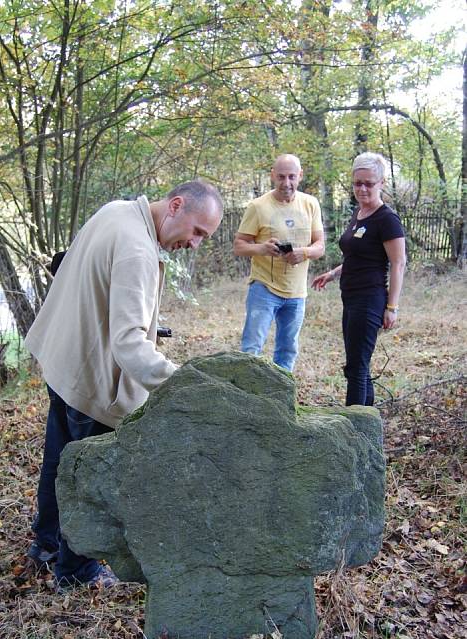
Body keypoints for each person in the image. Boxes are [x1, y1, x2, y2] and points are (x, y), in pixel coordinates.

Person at [25, 180, 223, 590]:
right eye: (198, 232)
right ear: (175, 206)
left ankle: (46, 546)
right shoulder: (138, 249)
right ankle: (76, 572)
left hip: (61, 357)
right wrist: (184, 382)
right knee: (89, 481)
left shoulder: (116, 211)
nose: (196, 243)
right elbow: (129, 344)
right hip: (89, 380)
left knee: (58, 461)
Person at [312, 152, 406, 406]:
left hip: (370, 299)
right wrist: (333, 274)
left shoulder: (386, 219)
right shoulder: (359, 213)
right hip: (351, 298)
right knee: (358, 365)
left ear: (382, 183)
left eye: (369, 183)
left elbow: (398, 263)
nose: (362, 188)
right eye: (357, 183)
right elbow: (358, 256)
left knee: (356, 367)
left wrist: (392, 307)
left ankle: (353, 429)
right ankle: (367, 420)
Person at [234, 154, 325, 372]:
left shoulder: (311, 204)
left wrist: (303, 253)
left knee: (287, 350)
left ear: (300, 176)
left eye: (292, 177)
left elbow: (320, 246)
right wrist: (262, 248)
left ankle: (281, 398)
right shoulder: (258, 206)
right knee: (251, 348)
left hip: (297, 293)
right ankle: (245, 396)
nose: (287, 183)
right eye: (281, 177)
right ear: (272, 176)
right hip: (264, 288)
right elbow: (239, 246)